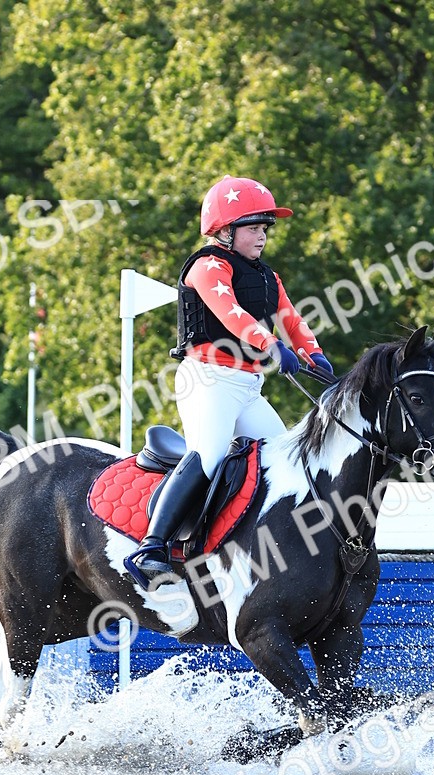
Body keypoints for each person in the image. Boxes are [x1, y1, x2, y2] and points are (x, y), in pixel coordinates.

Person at [124, 175, 333, 586]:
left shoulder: (267, 276)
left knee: (287, 459)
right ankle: (152, 545)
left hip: (247, 387)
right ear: (225, 231)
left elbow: (291, 317)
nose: (262, 237)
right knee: (211, 451)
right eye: (254, 228)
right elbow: (231, 315)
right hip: (208, 379)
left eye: (265, 229)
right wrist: (272, 345)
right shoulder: (207, 267)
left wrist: (316, 354)